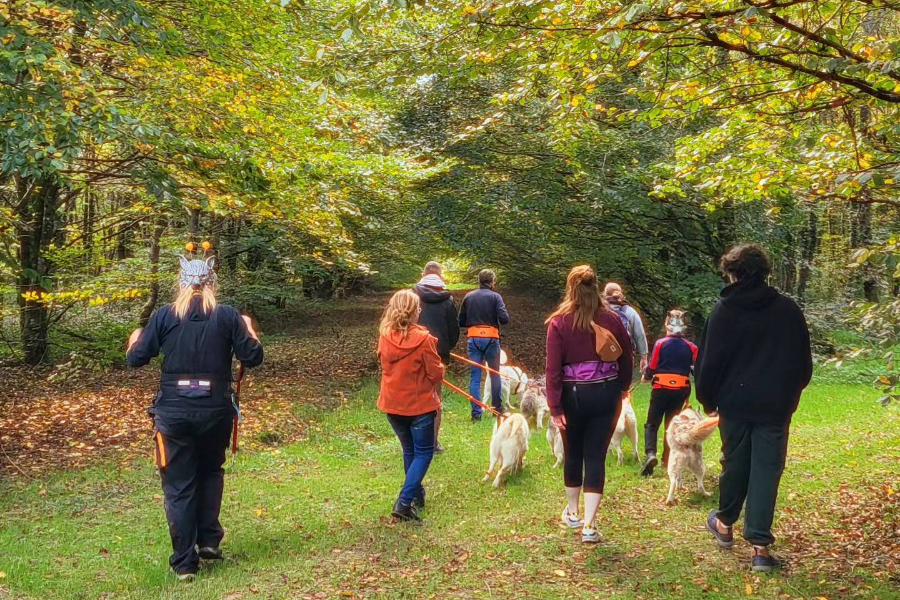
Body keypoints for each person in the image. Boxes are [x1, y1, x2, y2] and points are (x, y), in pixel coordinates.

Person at [126, 253, 264, 581]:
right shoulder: (228, 316)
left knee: (178, 484)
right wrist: (249, 330)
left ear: (181, 282)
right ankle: (209, 540)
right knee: (210, 471)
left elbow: (136, 359)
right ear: (213, 283)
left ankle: (185, 563)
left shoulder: (164, 316)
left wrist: (134, 340)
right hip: (215, 410)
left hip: (173, 413)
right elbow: (253, 356)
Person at [696, 244, 812, 573]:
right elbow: (803, 364)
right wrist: (789, 394)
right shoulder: (788, 310)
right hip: (775, 406)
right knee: (766, 470)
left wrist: (707, 399)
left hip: (734, 402)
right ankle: (760, 548)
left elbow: (708, 363)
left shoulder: (724, 311)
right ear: (764, 272)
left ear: (733, 273)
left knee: (735, 463)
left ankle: (724, 523)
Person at [546, 265, 633, 543]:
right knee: (595, 457)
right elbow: (626, 357)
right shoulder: (612, 319)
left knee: (572, 453)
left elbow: (553, 369)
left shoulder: (559, 322)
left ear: (570, 289)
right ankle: (590, 525)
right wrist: (621, 387)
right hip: (606, 392)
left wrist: (555, 406)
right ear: (596, 287)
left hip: (572, 395)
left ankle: (572, 513)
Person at [377, 289, 444, 522]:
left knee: (410, 451)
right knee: (424, 453)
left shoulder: (384, 335)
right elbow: (436, 373)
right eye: (419, 308)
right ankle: (405, 502)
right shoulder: (424, 339)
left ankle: (415, 494)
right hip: (419, 407)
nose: (420, 311)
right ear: (414, 311)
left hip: (393, 405)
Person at [640, 309, 697, 476]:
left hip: (660, 388)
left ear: (667, 324)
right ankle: (667, 459)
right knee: (671, 425)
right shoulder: (692, 347)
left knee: (652, 423)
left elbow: (653, 365)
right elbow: (695, 369)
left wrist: (646, 377)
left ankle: (650, 453)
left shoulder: (660, 344)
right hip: (680, 389)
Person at [413, 261, 460, 454]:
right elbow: (454, 329)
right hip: (438, 353)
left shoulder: (413, 297)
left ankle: (415, 442)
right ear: (440, 277)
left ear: (423, 275)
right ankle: (432, 443)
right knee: (435, 397)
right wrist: (446, 348)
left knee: (414, 395)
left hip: (413, 350)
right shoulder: (447, 300)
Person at [458, 269, 510, 421]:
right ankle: (497, 409)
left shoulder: (469, 296)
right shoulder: (496, 297)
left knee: (475, 376)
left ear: (479, 281)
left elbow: (461, 321)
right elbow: (504, 318)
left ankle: (476, 413)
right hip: (491, 339)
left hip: (473, 338)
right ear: (493, 281)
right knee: (495, 374)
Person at [604, 282, 649, 372]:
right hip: (625, 354)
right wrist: (644, 356)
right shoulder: (629, 311)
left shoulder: (599, 310)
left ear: (604, 294)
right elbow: (639, 334)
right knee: (624, 383)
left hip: (603, 354)